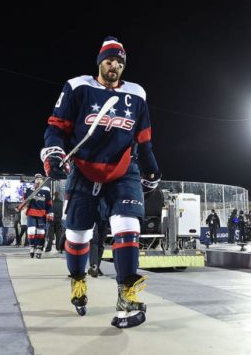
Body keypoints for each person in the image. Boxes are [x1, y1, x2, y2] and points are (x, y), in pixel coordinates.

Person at [40, 36, 160, 328]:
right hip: (83, 171)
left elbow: (143, 141)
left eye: (119, 62)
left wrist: (151, 170)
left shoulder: (137, 94)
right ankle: (79, 281)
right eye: (109, 61)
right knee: (77, 237)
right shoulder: (78, 87)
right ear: (99, 62)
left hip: (122, 171)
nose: (114, 66)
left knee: (128, 225)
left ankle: (127, 298)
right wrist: (54, 155)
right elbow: (55, 127)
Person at [22, 174, 52, 258]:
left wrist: (50, 213)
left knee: (41, 232)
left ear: (43, 181)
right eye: (37, 179)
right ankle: (32, 246)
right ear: (34, 180)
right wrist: (32, 189)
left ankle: (39, 248)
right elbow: (25, 199)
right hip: (31, 213)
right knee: (31, 230)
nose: (38, 180)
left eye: (40, 178)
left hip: (42, 214)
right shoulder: (30, 189)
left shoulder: (46, 191)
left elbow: (49, 204)